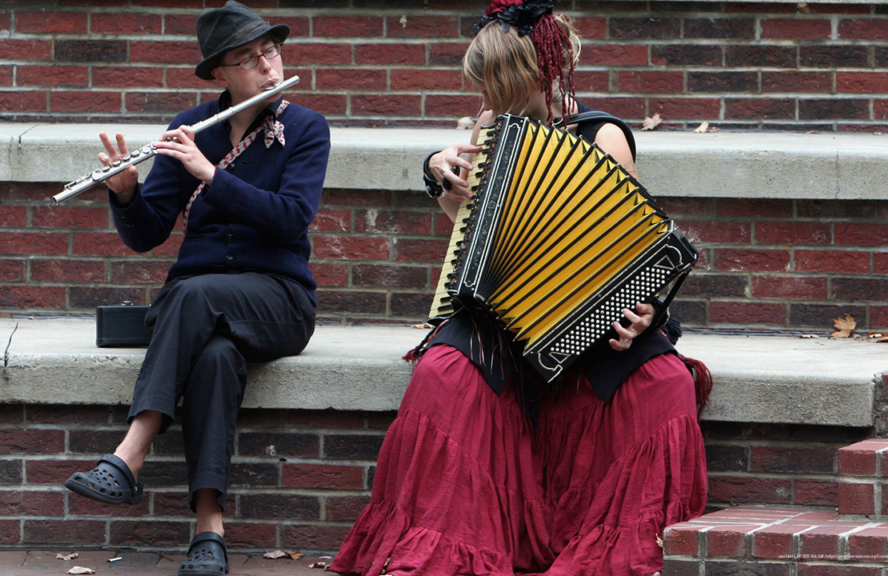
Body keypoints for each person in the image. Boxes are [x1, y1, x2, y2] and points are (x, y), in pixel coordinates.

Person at [329, 1, 707, 575]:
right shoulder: (486, 131)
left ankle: (620, 546)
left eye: (498, 88)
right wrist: (436, 172)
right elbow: (468, 230)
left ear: (541, 75)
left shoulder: (602, 135)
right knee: (441, 375)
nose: (486, 105)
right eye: (482, 89)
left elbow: (631, 249)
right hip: (498, 317)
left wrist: (645, 311)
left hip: (592, 322)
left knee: (662, 385)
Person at [62, 2, 329, 575]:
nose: (267, 66)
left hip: (279, 300)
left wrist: (212, 175)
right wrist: (127, 192)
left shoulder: (305, 129)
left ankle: (130, 452)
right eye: (248, 59)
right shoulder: (190, 127)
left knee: (191, 295)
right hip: (201, 307)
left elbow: (291, 218)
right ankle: (210, 531)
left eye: (271, 53)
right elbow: (148, 235)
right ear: (219, 75)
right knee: (213, 357)